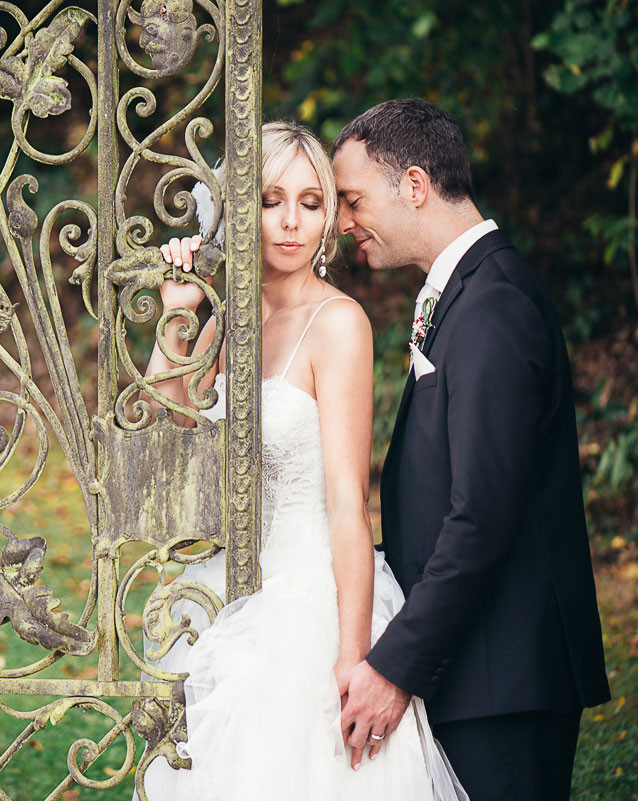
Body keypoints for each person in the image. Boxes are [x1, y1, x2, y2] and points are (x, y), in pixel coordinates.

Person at [135, 121, 466, 801]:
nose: (291, 222)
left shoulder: (339, 324)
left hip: (308, 604)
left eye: (312, 203)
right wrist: (177, 312)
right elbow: (167, 437)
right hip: (221, 593)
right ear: (237, 210)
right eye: (269, 200)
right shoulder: (229, 320)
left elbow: (350, 501)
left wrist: (351, 654)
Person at [331, 98, 611, 801]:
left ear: (416, 185)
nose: (342, 223)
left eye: (352, 199)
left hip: (506, 678)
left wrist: (394, 665)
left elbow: (482, 515)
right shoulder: (467, 291)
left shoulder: (494, 305)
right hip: (480, 667)